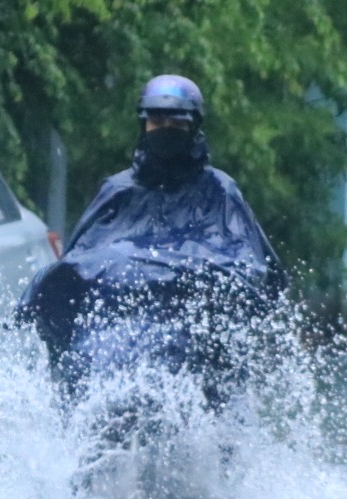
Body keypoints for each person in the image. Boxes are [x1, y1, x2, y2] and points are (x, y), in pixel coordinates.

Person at [17, 73, 288, 403]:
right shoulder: (118, 191)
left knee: (218, 379)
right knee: (83, 365)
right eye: (157, 120)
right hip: (118, 337)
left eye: (176, 122)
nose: (166, 129)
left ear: (194, 125)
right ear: (143, 124)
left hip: (195, 337)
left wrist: (199, 282)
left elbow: (253, 270)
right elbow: (77, 266)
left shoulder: (219, 191)